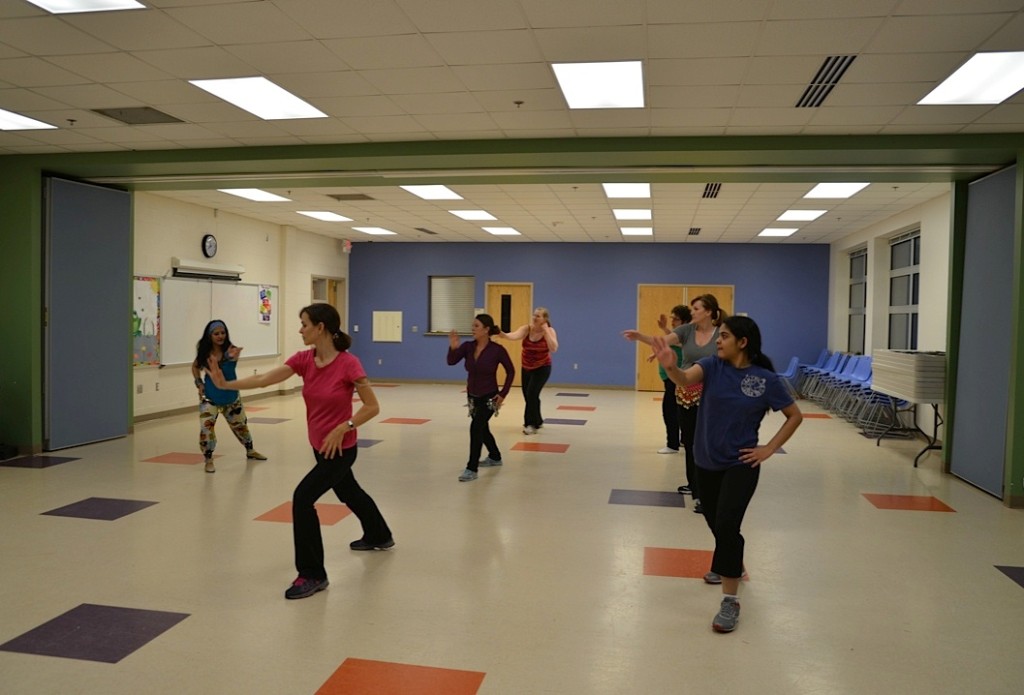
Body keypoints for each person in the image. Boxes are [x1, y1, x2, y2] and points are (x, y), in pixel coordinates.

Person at [206, 303, 393, 600]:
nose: (300, 329)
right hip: (319, 446)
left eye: (304, 324)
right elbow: (264, 379)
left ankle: (313, 574)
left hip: (340, 449)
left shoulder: (349, 364)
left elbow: (372, 407)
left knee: (303, 499)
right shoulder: (305, 360)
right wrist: (226, 383)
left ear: (320, 328)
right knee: (348, 490)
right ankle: (379, 534)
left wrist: (344, 427)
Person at [653, 315, 802, 633]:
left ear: (742, 342)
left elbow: (794, 415)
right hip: (705, 460)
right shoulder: (711, 366)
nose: (718, 341)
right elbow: (684, 380)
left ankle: (730, 601)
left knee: (726, 524)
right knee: (716, 524)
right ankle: (731, 559)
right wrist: (670, 366)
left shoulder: (765, 379)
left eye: (724, 336)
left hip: (741, 464)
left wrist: (768, 448)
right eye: (719, 336)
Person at [624, 294, 725, 512]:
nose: (693, 312)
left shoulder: (722, 333)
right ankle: (696, 487)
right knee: (690, 442)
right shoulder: (686, 331)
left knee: (708, 443)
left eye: (696, 308)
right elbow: (660, 341)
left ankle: (709, 491)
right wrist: (639, 336)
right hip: (687, 392)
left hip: (713, 395)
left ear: (709, 311)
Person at [191, 320, 267, 473]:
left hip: (230, 397)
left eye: (223, 333)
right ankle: (208, 459)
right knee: (206, 429)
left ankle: (250, 450)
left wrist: (231, 357)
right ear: (209, 336)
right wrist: (199, 383)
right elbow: (195, 366)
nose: (220, 336)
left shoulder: (231, 351)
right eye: (216, 334)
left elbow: (228, 364)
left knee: (241, 426)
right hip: (210, 397)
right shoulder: (205, 353)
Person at [448, 314, 515, 482]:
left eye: (476, 326)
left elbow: (511, 371)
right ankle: (495, 456)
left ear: (486, 330)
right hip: (472, 397)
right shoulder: (468, 347)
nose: (473, 329)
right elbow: (451, 361)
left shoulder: (497, 350)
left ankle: (472, 468)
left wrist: (503, 393)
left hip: (490, 397)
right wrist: (453, 347)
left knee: (476, 427)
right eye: (473, 326)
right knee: (482, 427)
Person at [499, 307, 559, 435]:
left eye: (538, 316)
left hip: (542, 367)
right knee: (529, 396)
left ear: (544, 319)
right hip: (526, 367)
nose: (534, 318)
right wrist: (503, 335)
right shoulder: (527, 329)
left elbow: (554, 348)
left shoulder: (549, 331)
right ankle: (538, 420)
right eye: (534, 315)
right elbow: (514, 336)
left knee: (532, 394)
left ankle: (530, 424)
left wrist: (546, 331)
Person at [648, 305, 691, 454]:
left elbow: (671, 340)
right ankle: (683, 440)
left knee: (670, 410)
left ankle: (672, 444)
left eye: (676, 319)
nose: (673, 322)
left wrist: (664, 330)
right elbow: (671, 341)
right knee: (679, 410)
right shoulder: (681, 334)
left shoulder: (686, 335)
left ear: (684, 321)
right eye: (672, 318)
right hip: (669, 378)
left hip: (676, 378)